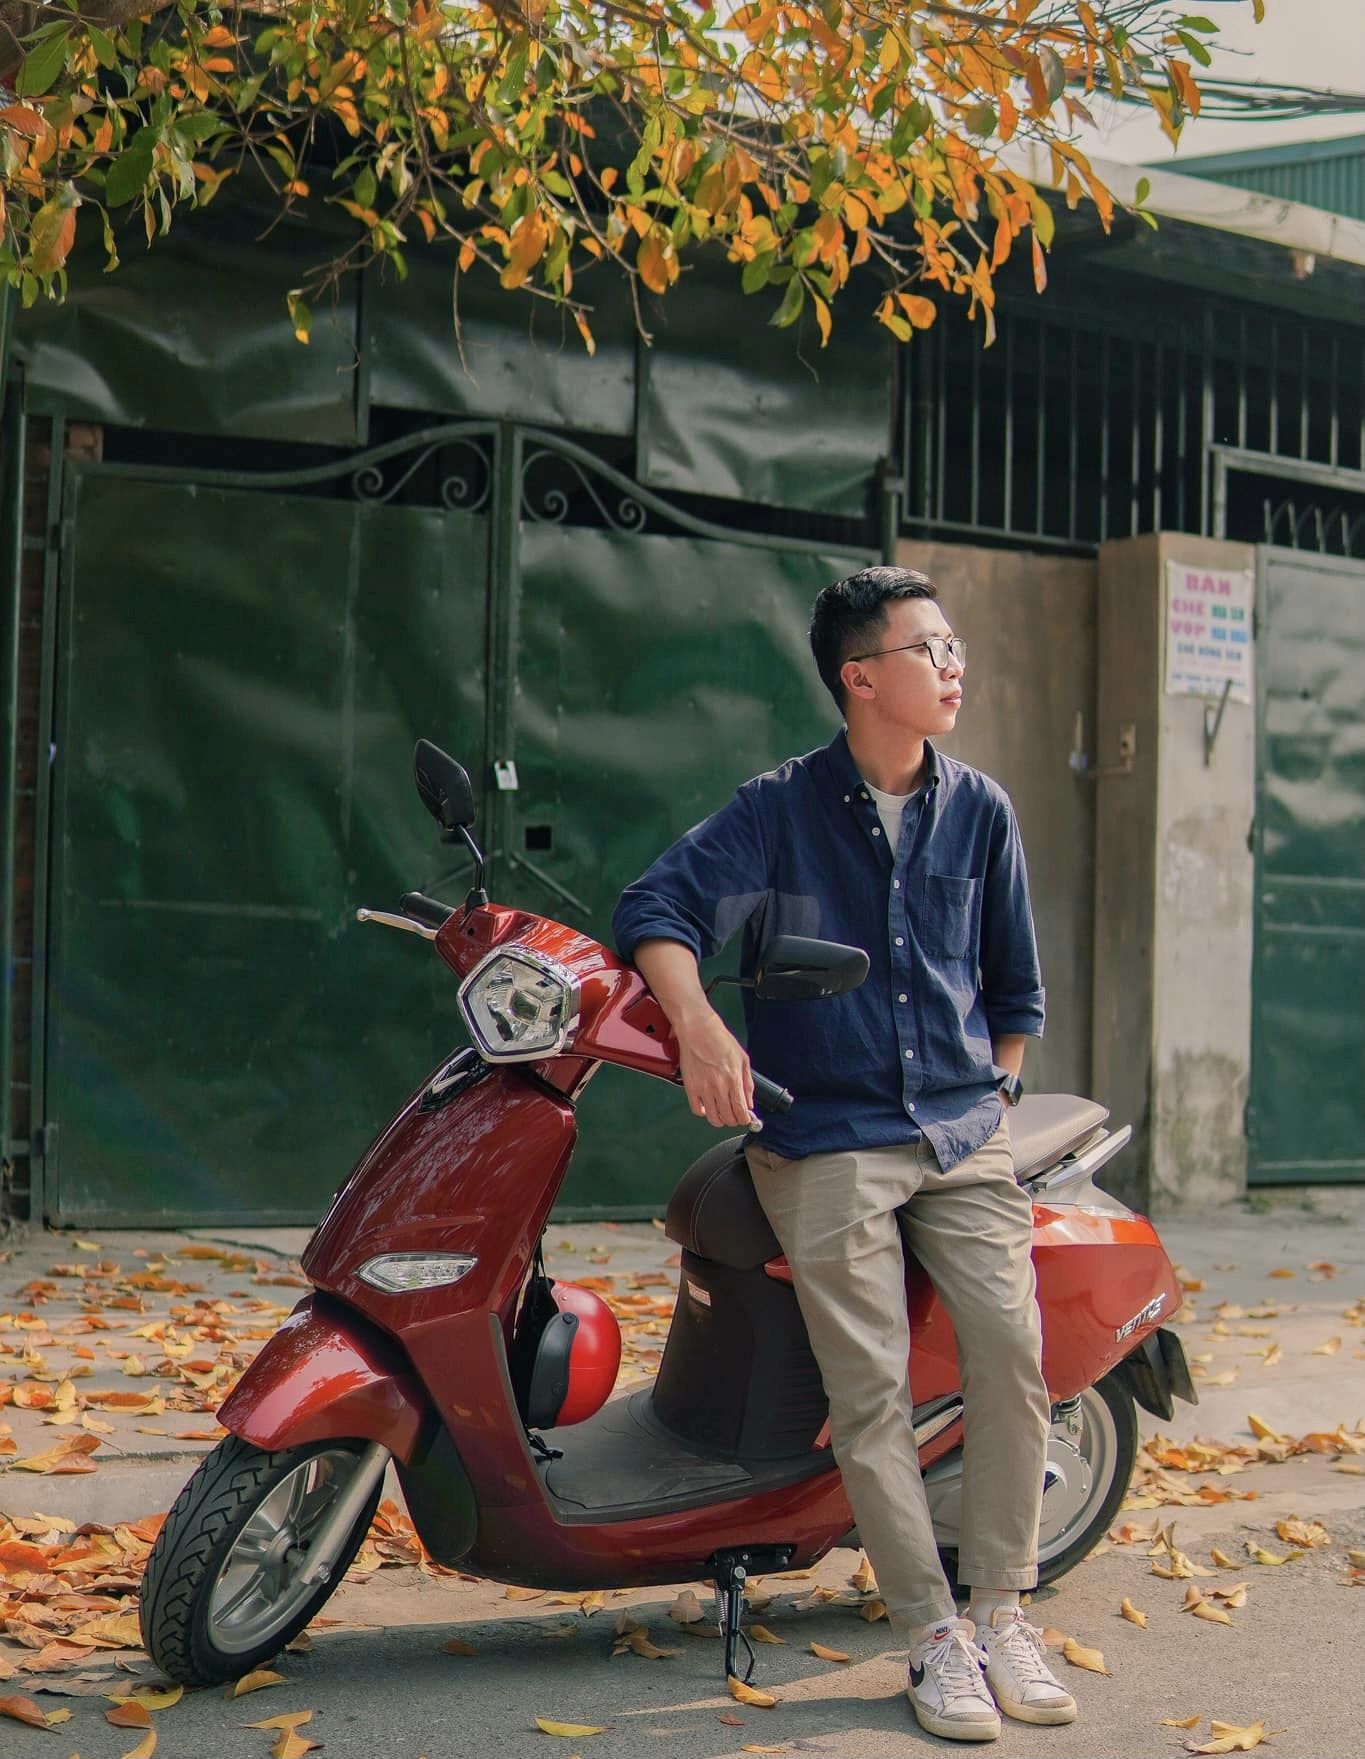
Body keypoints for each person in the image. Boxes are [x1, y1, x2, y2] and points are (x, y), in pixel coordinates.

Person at [611, 566, 1077, 1742]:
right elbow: (656, 909)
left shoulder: (982, 810)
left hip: (959, 1131)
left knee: (1014, 1354)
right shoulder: (777, 810)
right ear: (861, 676)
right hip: (825, 1135)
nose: (954, 665)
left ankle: (1002, 1608)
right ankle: (930, 1632)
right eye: (931, 648)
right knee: (869, 1390)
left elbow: (1015, 987)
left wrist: (998, 1088)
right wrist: (701, 1026)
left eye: (955, 645)